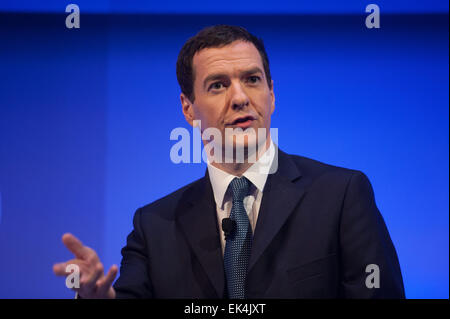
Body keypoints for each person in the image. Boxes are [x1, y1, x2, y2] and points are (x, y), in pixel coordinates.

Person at [53, 25, 405, 299]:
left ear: (271, 94)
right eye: (218, 85)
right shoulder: (154, 225)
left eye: (252, 80)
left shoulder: (341, 195)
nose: (240, 98)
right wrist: (97, 294)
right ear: (187, 107)